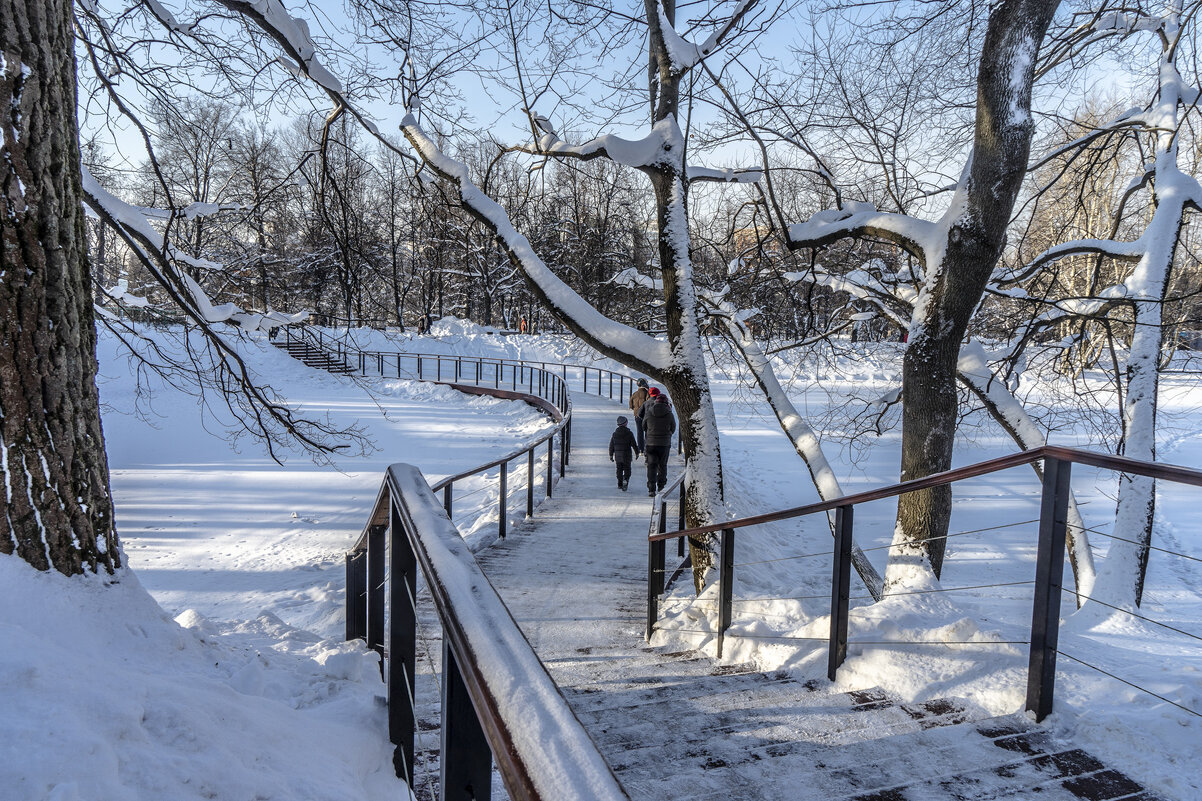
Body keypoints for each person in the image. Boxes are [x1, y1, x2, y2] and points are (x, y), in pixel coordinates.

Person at [637, 388, 676, 496]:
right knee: (662, 466)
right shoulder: (669, 414)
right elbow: (673, 428)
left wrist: (650, 433)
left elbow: (643, 426)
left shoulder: (649, 413)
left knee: (651, 466)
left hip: (651, 443)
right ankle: (661, 486)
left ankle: (651, 488)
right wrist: (667, 435)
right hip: (664, 444)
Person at [608, 416, 640, 491]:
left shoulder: (615, 434)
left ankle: (619, 483)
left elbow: (611, 445)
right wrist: (637, 452)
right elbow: (634, 444)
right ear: (626, 423)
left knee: (619, 469)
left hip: (618, 456)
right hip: (627, 455)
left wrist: (611, 455)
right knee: (627, 469)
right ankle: (625, 479)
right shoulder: (629, 433)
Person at [629, 378, 650, 450]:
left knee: (639, 432)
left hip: (637, 415)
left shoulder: (634, 394)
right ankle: (647, 447)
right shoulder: (647, 393)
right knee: (647, 431)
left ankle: (640, 449)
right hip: (646, 415)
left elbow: (631, 406)